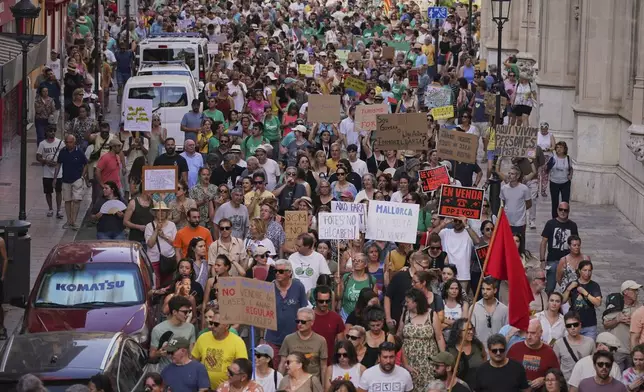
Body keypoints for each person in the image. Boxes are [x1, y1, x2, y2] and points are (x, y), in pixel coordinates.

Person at [264, 260, 309, 368]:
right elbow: (264, 313)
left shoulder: (298, 286)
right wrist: (262, 336)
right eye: (276, 271)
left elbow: (303, 310)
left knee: (292, 368)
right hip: (272, 337)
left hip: (294, 337)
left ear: (289, 273)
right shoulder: (269, 287)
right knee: (272, 368)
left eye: (281, 271)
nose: (277, 273)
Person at [399, 288, 445, 389]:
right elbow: (399, 337)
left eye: (408, 302)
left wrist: (443, 359)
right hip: (409, 361)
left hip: (428, 362)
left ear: (416, 302)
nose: (405, 304)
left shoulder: (431, 314)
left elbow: (439, 337)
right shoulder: (405, 314)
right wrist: (404, 362)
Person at [192, 311, 248, 390]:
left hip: (226, 389)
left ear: (227, 326)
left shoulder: (238, 342)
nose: (212, 326)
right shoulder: (202, 338)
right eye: (211, 323)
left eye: (216, 324)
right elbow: (194, 361)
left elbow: (242, 368)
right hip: (203, 388)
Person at [507, 319, 560, 389]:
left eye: (533, 333)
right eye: (527, 332)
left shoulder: (549, 353)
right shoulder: (514, 349)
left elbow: (557, 376)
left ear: (541, 333)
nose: (529, 336)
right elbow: (505, 372)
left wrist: (544, 379)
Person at [279, 307, 328, 381]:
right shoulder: (288, 339)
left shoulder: (321, 340)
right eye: (297, 321)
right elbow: (283, 363)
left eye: (303, 322)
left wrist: (324, 389)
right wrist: (278, 384)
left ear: (312, 322)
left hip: (311, 384)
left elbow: (323, 367)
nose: (299, 324)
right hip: (291, 382)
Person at [540, 201, 579, 293]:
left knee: (569, 288)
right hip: (552, 261)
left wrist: (577, 260)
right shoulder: (550, 224)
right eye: (561, 209)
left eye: (565, 210)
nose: (563, 212)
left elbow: (576, 244)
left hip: (567, 262)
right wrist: (542, 260)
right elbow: (544, 242)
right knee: (549, 288)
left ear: (568, 212)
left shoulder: (573, 226)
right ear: (557, 210)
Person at [149, 296, 197, 368]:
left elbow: (192, 352)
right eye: (185, 312)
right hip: (166, 371)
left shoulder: (190, 328)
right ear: (174, 312)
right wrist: (159, 353)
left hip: (185, 370)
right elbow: (152, 354)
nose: (187, 315)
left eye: (189, 312)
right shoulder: (158, 329)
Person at [53, 134, 88, 230]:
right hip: (65, 180)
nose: (68, 144)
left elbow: (86, 164)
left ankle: (74, 221)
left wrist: (82, 176)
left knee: (76, 200)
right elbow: (58, 164)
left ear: (74, 142)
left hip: (77, 179)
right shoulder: (63, 152)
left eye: (70, 142)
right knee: (67, 200)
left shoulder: (79, 152)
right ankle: (69, 221)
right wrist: (55, 178)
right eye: (67, 142)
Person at [562, 260, 602, 340]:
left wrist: (585, 293)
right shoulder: (572, 284)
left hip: (589, 324)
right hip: (573, 323)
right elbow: (563, 300)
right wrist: (568, 289)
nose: (587, 273)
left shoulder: (594, 285)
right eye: (585, 270)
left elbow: (598, 303)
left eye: (589, 270)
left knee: (589, 348)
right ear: (579, 271)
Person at [553, 311, 596, 381]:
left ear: (580, 325)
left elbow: (595, 364)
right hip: (566, 384)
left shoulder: (590, 342)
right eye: (569, 326)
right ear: (566, 327)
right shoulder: (558, 344)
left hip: (585, 383)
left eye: (575, 324)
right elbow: (556, 367)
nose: (572, 328)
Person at [446, 319, 487, 387]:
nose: (471, 332)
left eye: (471, 329)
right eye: (467, 330)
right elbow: (449, 375)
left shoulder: (478, 345)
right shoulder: (450, 351)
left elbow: (485, 362)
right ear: (458, 332)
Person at [145, 201, 177, 286]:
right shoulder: (149, 226)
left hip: (168, 259)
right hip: (154, 260)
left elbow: (175, 243)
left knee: (168, 285)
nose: (161, 213)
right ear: (155, 213)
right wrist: (156, 230)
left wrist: (164, 236)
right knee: (156, 284)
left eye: (164, 211)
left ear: (167, 213)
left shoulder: (172, 225)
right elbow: (150, 244)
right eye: (159, 211)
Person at [311, 285, 345, 366]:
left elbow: (341, 343)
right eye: (321, 301)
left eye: (327, 301)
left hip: (330, 363)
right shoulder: (307, 317)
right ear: (315, 300)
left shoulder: (336, 318)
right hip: (310, 362)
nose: (324, 304)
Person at [36, 126, 64, 219]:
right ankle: (50, 209)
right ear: (46, 132)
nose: (52, 133)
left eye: (53, 131)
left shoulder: (60, 143)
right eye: (50, 131)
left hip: (58, 172)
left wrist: (59, 162)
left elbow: (65, 154)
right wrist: (46, 161)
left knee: (58, 191)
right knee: (48, 192)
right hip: (47, 172)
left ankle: (59, 210)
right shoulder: (42, 144)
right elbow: (38, 157)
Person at [471, 277, 508, 345]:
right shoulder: (474, 308)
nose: (485, 292)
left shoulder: (504, 309)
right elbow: (471, 331)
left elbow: (506, 331)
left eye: (488, 289)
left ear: (495, 290)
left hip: (498, 350)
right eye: (483, 289)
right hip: (480, 349)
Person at [500, 165, 532, 235]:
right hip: (507, 221)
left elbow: (529, 203)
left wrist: (520, 209)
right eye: (509, 173)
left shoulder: (524, 189)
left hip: (520, 222)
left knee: (520, 242)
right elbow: (504, 203)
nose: (509, 175)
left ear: (517, 176)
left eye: (512, 174)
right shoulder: (503, 188)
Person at [547, 141, 573, 219]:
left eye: (561, 147)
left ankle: (564, 218)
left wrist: (570, 175)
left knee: (565, 201)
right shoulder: (553, 157)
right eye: (557, 147)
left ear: (565, 149)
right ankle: (555, 219)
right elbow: (547, 168)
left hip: (565, 182)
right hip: (554, 182)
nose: (559, 149)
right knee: (555, 202)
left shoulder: (568, 158)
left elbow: (571, 168)